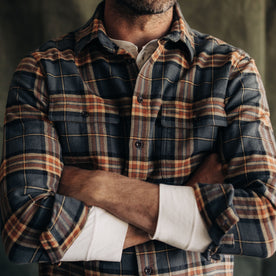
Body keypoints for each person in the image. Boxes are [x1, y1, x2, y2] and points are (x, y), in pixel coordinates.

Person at [1, 0, 276, 275]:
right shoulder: (41, 71)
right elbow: (24, 229)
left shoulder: (233, 70)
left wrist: (99, 186)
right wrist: (184, 206)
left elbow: (265, 224)